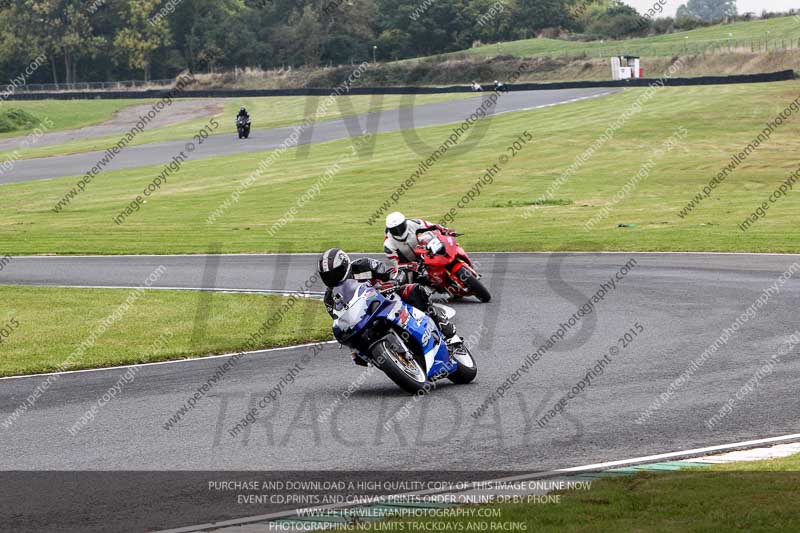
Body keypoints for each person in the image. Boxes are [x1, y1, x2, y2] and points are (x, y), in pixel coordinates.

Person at [318, 248, 461, 366]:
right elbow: (342, 319)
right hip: (364, 319)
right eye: (327, 276)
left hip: (387, 298)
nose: (332, 279)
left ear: (345, 266)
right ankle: (395, 360)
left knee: (414, 290)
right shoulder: (329, 298)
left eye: (335, 274)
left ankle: (446, 330)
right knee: (358, 352)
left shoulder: (364, 264)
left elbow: (391, 272)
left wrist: (394, 281)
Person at [383, 212, 455, 270]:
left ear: (404, 223)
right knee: (409, 283)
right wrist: (408, 265)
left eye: (400, 227)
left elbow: (433, 226)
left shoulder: (412, 223)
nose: (399, 231)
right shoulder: (388, 244)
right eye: (394, 230)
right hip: (411, 266)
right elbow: (396, 265)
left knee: (429, 236)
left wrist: (445, 230)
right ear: (389, 229)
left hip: (424, 253)